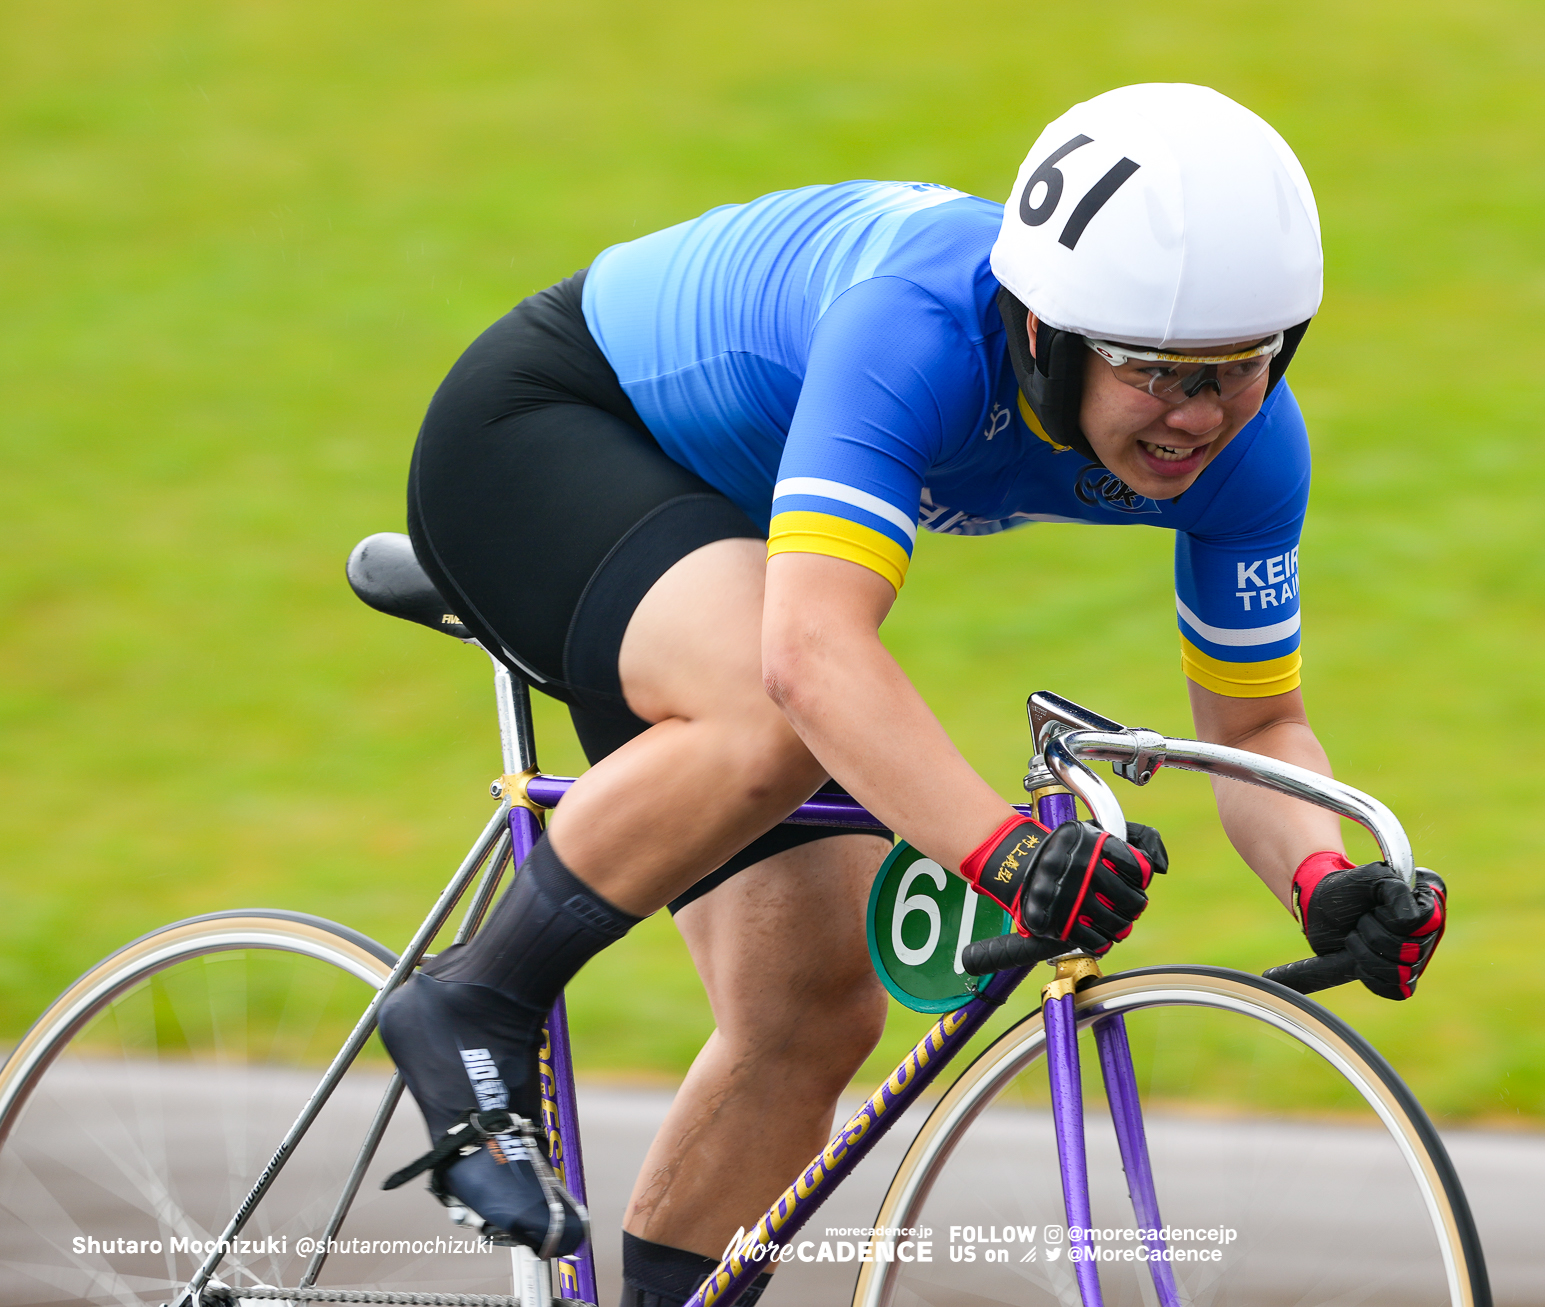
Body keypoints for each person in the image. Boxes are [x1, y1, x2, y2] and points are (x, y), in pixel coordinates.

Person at [378, 82, 1448, 1307]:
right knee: (772, 712)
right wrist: (1003, 852)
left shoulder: (1253, 447)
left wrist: (1327, 878)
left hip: (730, 529)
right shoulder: (920, 329)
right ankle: (477, 995)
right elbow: (811, 654)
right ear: (1043, 331)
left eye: (1238, 368)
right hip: (556, 430)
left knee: (816, 1009)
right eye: (1154, 371)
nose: (1196, 417)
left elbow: (1255, 727)